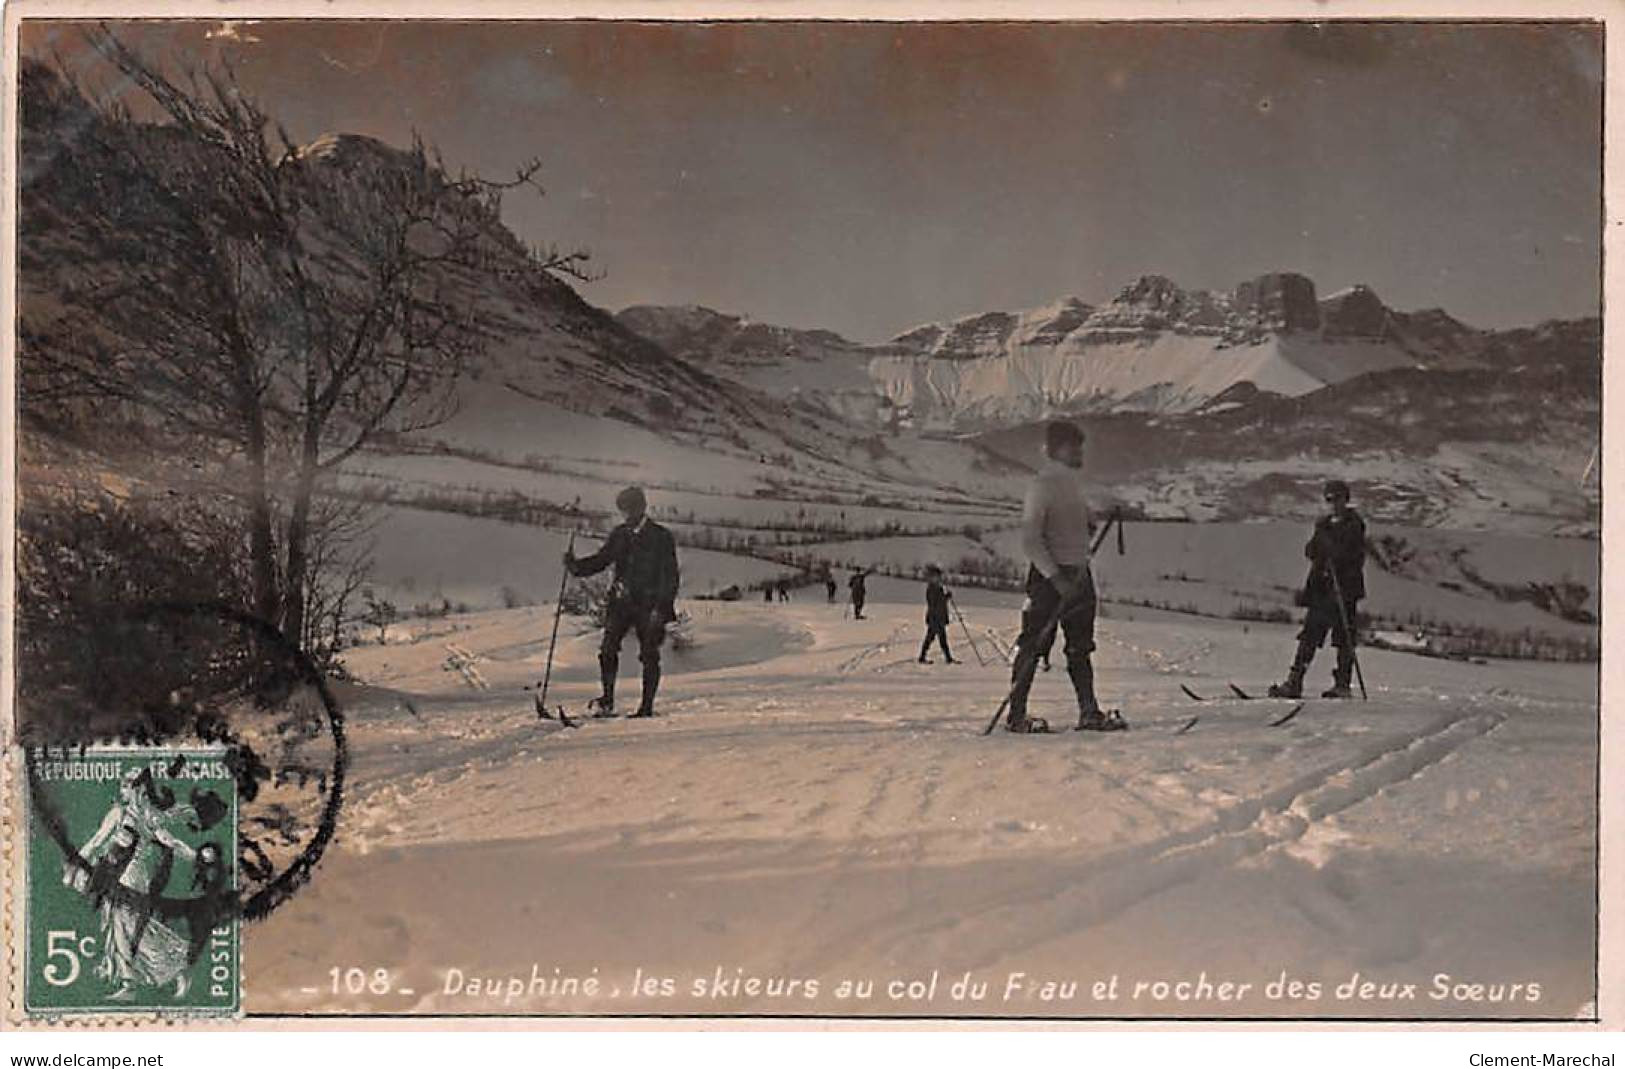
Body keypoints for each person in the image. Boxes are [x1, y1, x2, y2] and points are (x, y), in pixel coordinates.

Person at [1005, 420, 1125, 733]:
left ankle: (1089, 712)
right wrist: (1056, 578)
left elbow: (1078, 527)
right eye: (1075, 446)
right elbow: (1031, 539)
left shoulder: (1071, 486)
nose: (1081, 452)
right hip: (1051, 579)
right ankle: (1016, 716)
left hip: (1078, 574)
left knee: (1080, 647)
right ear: (1059, 449)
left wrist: (1091, 521)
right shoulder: (1042, 486)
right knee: (1034, 645)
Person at [564, 486, 680, 718]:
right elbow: (602, 560)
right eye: (623, 510)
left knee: (649, 655)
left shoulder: (661, 536)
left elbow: (671, 576)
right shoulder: (619, 534)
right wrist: (577, 567)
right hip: (621, 603)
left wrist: (662, 607)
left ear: (642, 507)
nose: (627, 514)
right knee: (607, 650)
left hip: (649, 606)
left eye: (630, 508)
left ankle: (646, 707)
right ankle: (607, 700)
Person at [1269, 480, 1367, 699]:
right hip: (1322, 590)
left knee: (1344, 638)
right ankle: (1295, 682)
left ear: (1346, 499)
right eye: (1329, 499)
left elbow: (1352, 555)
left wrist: (1331, 552)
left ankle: (1342, 684)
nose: (1333, 504)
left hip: (1344, 590)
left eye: (1337, 499)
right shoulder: (1323, 525)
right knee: (1310, 636)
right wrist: (1320, 549)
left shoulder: (1354, 524)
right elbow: (1312, 549)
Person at [918, 566, 957, 664]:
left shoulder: (938, 588)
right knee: (933, 638)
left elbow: (941, 602)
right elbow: (935, 603)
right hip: (935, 618)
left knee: (939, 638)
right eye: (936, 576)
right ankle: (923, 657)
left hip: (939, 617)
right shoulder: (931, 588)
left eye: (938, 577)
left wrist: (946, 596)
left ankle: (947, 658)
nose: (938, 578)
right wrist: (946, 597)